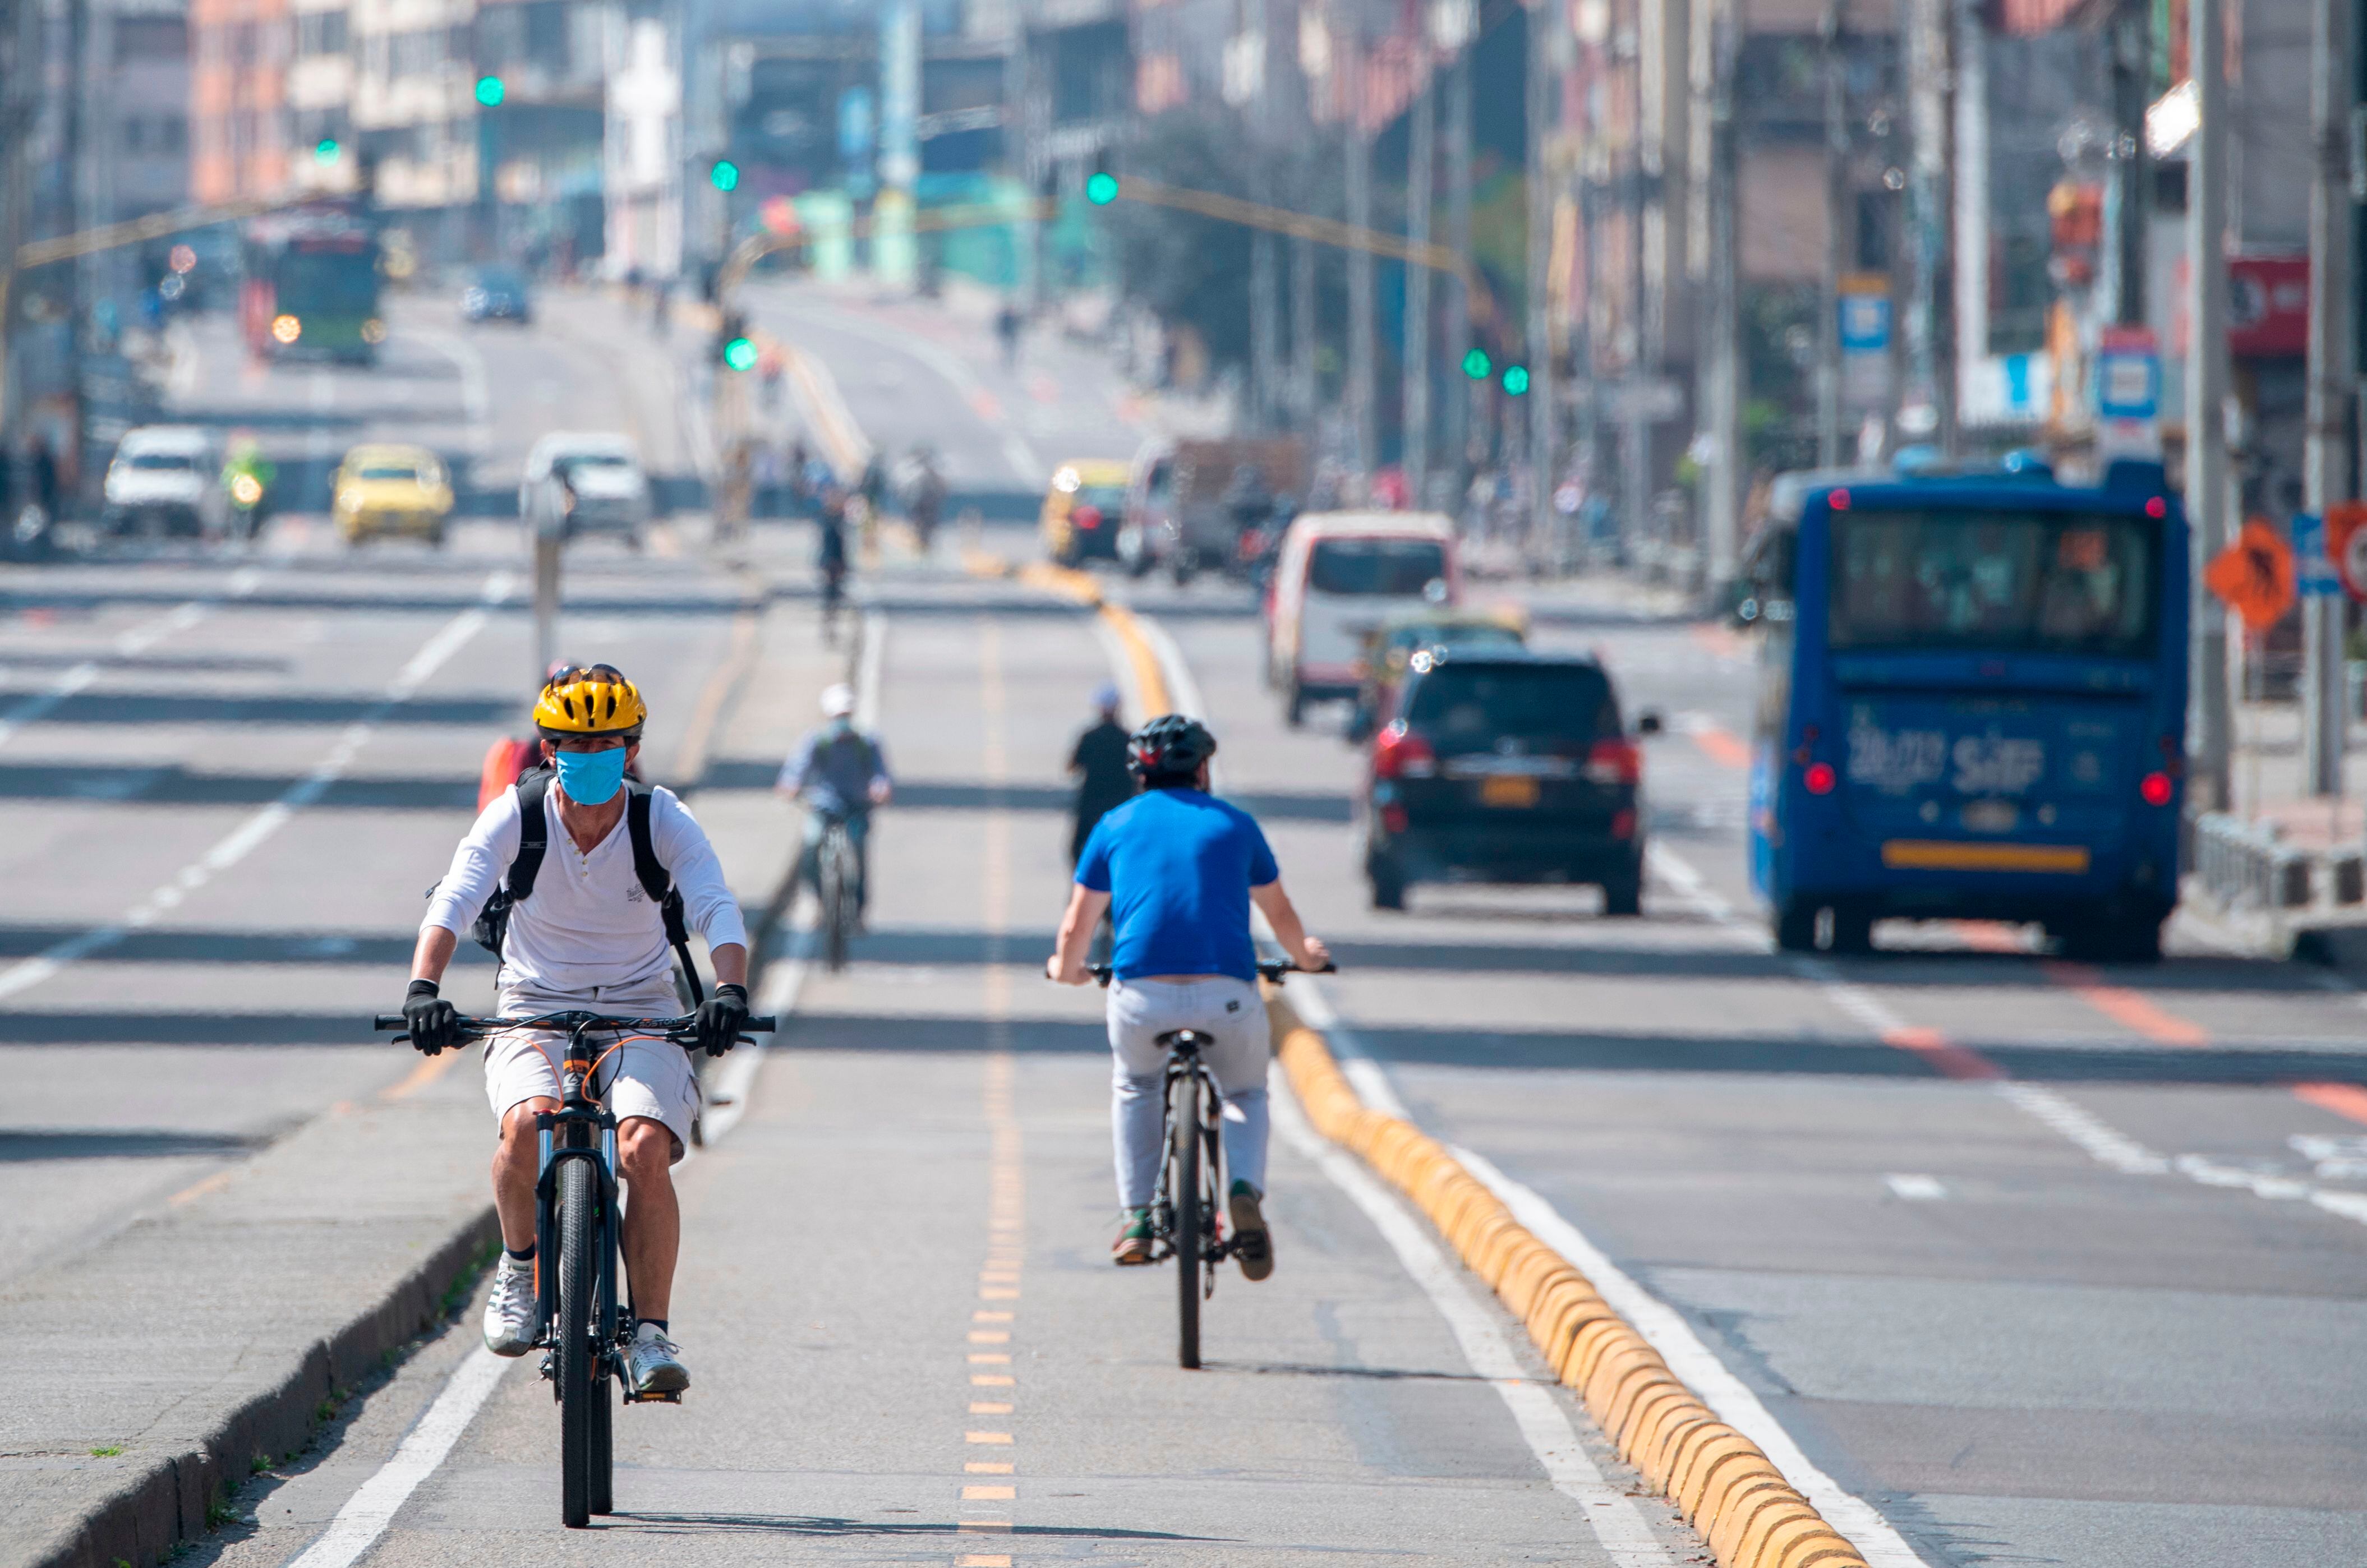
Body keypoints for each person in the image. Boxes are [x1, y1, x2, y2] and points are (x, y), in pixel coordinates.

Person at [400, 665, 750, 1396]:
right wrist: (424, 989)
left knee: (644, 1147)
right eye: (570, 743)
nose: (588, 756)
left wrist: (730, 991)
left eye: (606, 743)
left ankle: (651, 1334)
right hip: (533, 1001)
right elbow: (456, 898)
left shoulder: (661, 819)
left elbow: (715, 906)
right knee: (526, 1126)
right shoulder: (517, 816)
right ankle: (522, 1267)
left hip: (641, 1004)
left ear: (630, 748)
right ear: (549, 748)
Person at [1047, 715, 1329, 1276]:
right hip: (1226, 993)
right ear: (1202, 769)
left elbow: (1076, 928)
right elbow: (1280, 915)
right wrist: (1305, 957)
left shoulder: (1113, 826)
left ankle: (1138, 1218)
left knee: (1136, 1086)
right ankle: (1243, 1189)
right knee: (1245, 1092)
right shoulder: (1235, 825)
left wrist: (1066, 970)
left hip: (1141, 995)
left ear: (1137, 773)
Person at [778, 684, 892, 921]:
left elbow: (881, 774)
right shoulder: (816, 741)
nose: (842, 720)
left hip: (857, 807)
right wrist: (790, 786)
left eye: (846, 715)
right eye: (838, 715)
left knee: (859, 852)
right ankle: (820, 898)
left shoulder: (868, 742)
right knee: (811, 848)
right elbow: (796, 769)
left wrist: (880, 789)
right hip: (824, 807)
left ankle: (858, 908)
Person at [1067, 684, 1134, 866]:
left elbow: (1071, 768)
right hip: (1121, 805)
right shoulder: (1128, 739)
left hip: (1091, 803)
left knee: (1078, 849)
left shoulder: (1089, 737)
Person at [815, 485, 850, 639]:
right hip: (830, 563)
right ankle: (828, 626)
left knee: (835, 597)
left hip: (837, 563)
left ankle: (831, 626)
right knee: (830, 596)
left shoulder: (839, 519)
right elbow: (829, 545)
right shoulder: (828, 520)